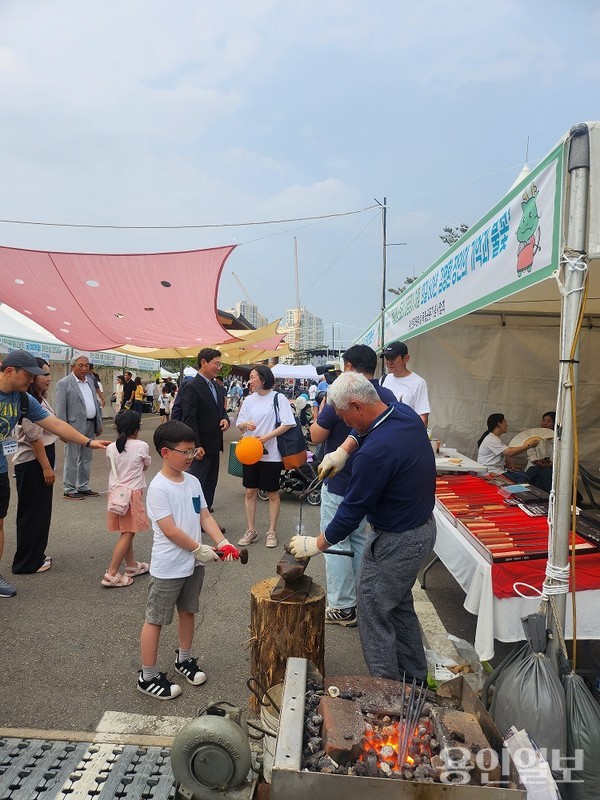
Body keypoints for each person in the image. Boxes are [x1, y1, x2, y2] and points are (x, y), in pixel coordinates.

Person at [290, 372, 436, 683]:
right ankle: (416, 680)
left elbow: (350, 512)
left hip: (398, 540)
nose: (345, 424)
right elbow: (365, 431)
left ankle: (385, 690)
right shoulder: (403, 414)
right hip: (422, 530)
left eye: (344, 417)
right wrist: (345, 449)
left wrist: (316, 544)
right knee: (398, 605)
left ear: (358, 406)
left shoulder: (376, 454)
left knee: (371, 609)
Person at [138, 420, 240, 700]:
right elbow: (169, 529)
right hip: (169, 565)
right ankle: (147, 675)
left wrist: (222, 542)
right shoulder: (159, 487)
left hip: (193, 563)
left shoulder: (193, 481)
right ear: (165, 452)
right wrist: (198, 548)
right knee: (155, 620)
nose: (191, 456)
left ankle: (184, 659)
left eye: (192, 450)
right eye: (185, 451)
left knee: (188, 611)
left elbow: (204, 516)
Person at [0, 350, 110, 598]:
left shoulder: (23, 400)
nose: (33, 380)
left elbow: (55, 424)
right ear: (10, 371)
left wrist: (88, 442)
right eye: (29, 375)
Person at [309, 345, 396, 626]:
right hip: (372, 487)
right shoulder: (387, 395)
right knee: (359, 540)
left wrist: (322, 410)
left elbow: (316, 435)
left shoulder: (343, 392)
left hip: (340, 482)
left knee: (334, 542)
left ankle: (342, 606)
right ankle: (362, 600)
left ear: (348, 367)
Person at [236, 365, 296, 548]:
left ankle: (271, 531)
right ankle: (251, 530)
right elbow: (239, 424)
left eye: (253, 377)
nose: (250, 380)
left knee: (272, 493)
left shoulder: (278, 398)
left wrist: (268, 436)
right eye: (250, 377)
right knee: (249, 491)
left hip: (272, 454)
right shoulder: (248, 400)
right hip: (250, 452)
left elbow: (289, 423)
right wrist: (245, 425)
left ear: (263, 378)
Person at [12, 358, 57, 575]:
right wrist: (47, 468)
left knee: (40, 512)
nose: (48, 378)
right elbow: (34, 439)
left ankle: (36, 554)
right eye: (44, 375)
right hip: (33, 461)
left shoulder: (40, 399)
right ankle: (26, 562)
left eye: (48, 374)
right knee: (32, 513)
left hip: (41, 457)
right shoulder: (30, 402)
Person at [103, 410, 151, 588]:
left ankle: (131, 566)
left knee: (126, 530)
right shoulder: (141, 446)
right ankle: (111, 573)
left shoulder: (110, 447)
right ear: (137, 428)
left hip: (116, 494)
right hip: (132, 494)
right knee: (129, 532)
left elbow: (111, 466)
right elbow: (145, 466)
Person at [180, 348, 230, 512]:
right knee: (197, 484)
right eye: (216, 363)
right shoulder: (192, 386)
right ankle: (193, 518)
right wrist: (196, 445)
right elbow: (189, 419)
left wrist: (225, 419)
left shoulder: (215, 386)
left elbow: (220, 410)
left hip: (214, 444)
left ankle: (204, 517)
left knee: (210, 484)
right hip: (201, 447)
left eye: (219, 364)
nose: (219, 367)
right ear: (203, 362)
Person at [55, 354, 103, 500]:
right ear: (72, 366)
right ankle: (69, 489)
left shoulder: (89, 381)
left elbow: (94, 404)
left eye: (86, 365)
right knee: (72, 457)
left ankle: (83, 486)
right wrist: (62, 430)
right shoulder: (64, 383)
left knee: (86, 457)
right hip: (73, 427)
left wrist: (98, 423)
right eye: (80, 365)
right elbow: (60, 408)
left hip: (90, 424)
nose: (84, 368)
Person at [476, 413, 539, 482]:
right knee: (524, 478)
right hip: (491, 472)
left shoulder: (494, 438)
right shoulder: (492, 439)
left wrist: (510, 462)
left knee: (526, 475)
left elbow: (503, 453)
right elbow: (510, 452)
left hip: (498, 470)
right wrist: (529, 445)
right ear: (499, 424)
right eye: (505, 422)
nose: (507, 425)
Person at [380, 340, 430, 426]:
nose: (389, 362)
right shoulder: (383, 379)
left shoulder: (418, 382)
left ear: (406, 358)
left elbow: (423, 415)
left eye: (393, 358)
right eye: (387, 358)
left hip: (405, 433)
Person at [525, 411, 555, 493]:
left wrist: (549, 463)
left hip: (550, 468)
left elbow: (558, 456)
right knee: (535, 474)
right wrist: (536, 461)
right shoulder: (534, 437)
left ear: (554, 424)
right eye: (543, 420)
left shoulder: (558, 440)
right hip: (534, 466)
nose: (545, 423)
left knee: (546, 474)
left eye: (548, 421)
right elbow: (530, 452)